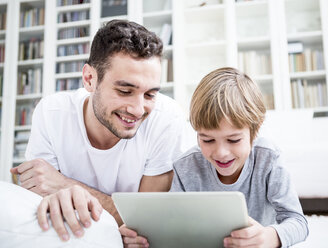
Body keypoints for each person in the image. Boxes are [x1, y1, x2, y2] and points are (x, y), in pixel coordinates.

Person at [8, 19, 192, 242]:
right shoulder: (51, 113)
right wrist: (121, 214)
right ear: (89, 79)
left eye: (150, 94)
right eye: (125, 91)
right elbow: (46, 214)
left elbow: (147, 226)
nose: (138, 109)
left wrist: (67, 185)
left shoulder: (166, 118)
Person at [120, 67, 309, 247]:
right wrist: (140, 236)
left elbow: (298, 222)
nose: (220, 153)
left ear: (254, 131)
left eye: (233, 140)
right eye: (208, 140)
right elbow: (172, 224)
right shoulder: (185, 167)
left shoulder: (269, 159)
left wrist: (271, 237)